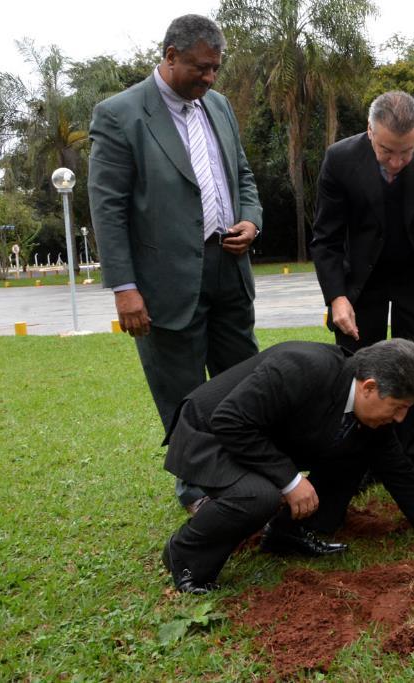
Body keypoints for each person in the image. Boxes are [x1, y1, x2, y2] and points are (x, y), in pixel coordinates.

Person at [88, 15, 263, 513]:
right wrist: (124, 287)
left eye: (216, 69)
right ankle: (195, 486)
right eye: (201, 68)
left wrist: (250, 219)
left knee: (243, 378)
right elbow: (108, 207)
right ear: (169, 55)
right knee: (182, 389)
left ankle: (247, 472)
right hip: (164, 281)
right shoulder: (120, 114)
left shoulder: (220, 106)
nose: (210, 78)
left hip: (229, 269)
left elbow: (242, 175)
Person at [160, 338, 414, 594]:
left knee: (357, 450)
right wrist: (290, 481)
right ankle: (184, 554)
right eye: (399, 407)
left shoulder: (367, 412)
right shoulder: (303, 367)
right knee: (260, 495)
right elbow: (229, 420)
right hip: (208, 434)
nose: (400, 419)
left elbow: (400, 473)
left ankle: (287, 533)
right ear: (368, 387)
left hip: (261, 436)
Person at [311, 91, 414, 476]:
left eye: (406, 151)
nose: (397, 162)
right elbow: (326, 238)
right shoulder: (340, 158)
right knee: (356, 371)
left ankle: (409, 464)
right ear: (369, 131)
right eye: (387, 151)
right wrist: (336, 297)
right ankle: (357, 464)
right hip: (360, 283)